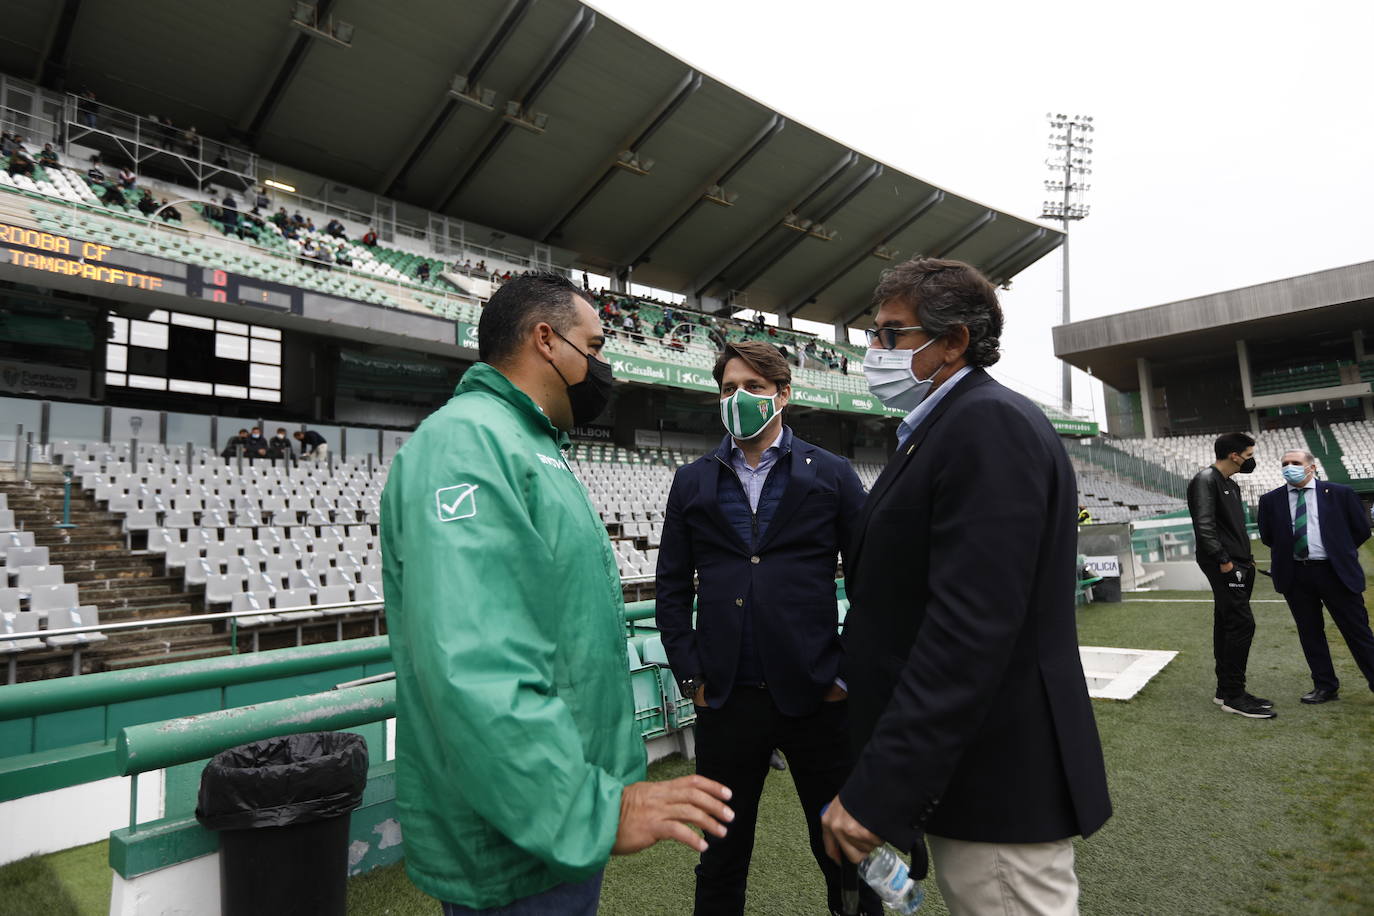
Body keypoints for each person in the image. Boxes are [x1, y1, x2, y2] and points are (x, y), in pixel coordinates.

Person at [381, 272, 734, 914]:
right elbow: (475, 663)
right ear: (546, 340)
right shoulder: (465, 443)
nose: (601, 366)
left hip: (550, 825)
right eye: (593, 347)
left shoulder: (534, 442)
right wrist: (585, 810)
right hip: (516, 837)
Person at [820, 258, 1111, 915]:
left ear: (953, 342)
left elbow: (968, 632)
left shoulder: (986, 425)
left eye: (892, 334)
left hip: (996, 774)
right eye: (873, 334)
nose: (875, 351)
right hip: (967, 770)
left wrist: (880, 787)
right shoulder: (941, 429)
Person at [657, 341, 878, 916]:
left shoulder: (831, 473)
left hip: (817, 695)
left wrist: (844, 674)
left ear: (783, 395)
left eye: (753, 387)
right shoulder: (692, 480)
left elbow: (872, 584)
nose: (739, 398)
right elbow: (672, 589)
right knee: (721, 857)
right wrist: (692, 680)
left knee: (842, 847)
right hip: (726, 701)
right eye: (729, 388)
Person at [1257, 449, 1374, 703]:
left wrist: (1338, 551)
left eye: (1295, 463)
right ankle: (1325, 686)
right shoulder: (1270, 500)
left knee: (1357, 631)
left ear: (1311, 467)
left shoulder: (1340, 494)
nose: (1289, 467)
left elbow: (1361, 529)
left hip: (1335, 573)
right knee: (1310, 633)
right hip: (1295, 575)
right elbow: (1268, 536)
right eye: (1285, 463)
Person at [1187, 432, 1275, 719]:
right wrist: (1224, 562)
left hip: (1239, 563)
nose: (1252, 460)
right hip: (1223, 564)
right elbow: (1205, 526)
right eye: (1248, 455)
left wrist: (1246, 560)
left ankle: (1225, 690)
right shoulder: (1205, 480)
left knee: (1226, 621)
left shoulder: (1230, 485)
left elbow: (1232, 528)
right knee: (1241, 624)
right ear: (1234, 455)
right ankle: (1235, 697)